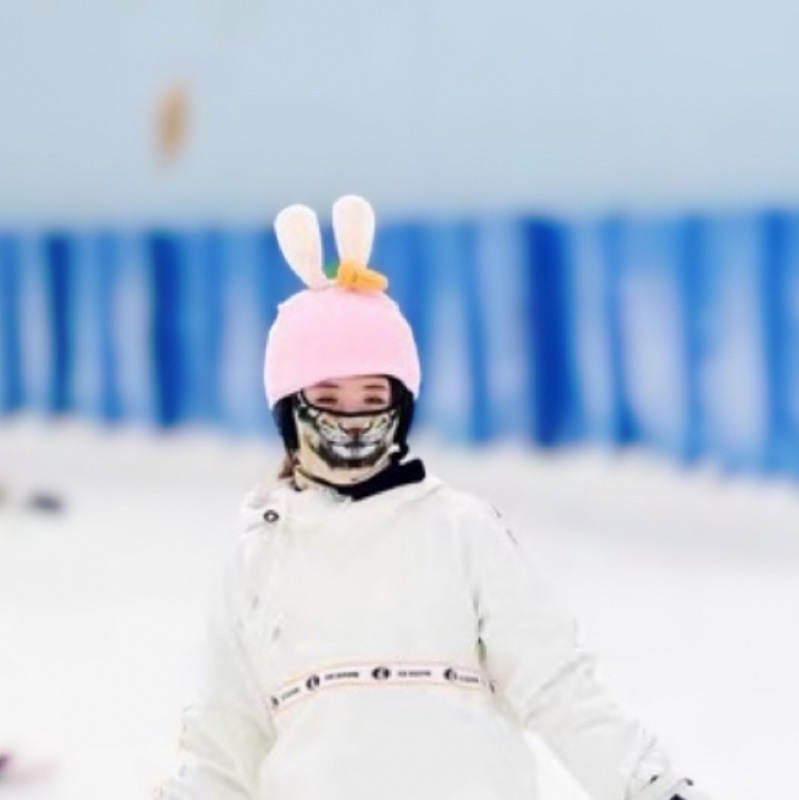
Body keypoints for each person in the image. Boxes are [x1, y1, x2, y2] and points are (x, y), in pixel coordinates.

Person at [154, 196, 716, 800]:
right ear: (289, 412)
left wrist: (650, 786)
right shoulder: (259, 559)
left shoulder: (461, 531)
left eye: (372, 398)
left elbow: (558, 684)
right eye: (328, 397)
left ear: (402, 407)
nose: (351, 421)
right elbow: (222, 739)